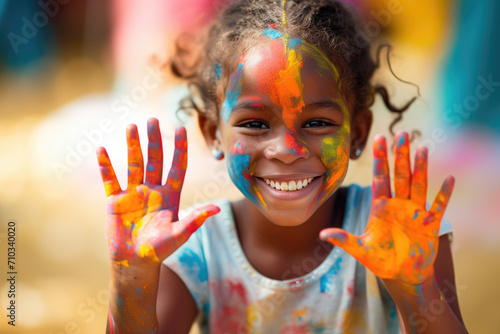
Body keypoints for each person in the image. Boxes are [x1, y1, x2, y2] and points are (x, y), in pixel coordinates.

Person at [97, 1, 468, 333]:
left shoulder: (399, 232)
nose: (287, 150)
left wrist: (415, 292)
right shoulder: (194, 248)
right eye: (255, 124)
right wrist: (132, 277)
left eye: (317, 123)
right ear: (213, 135)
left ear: (357, 133)